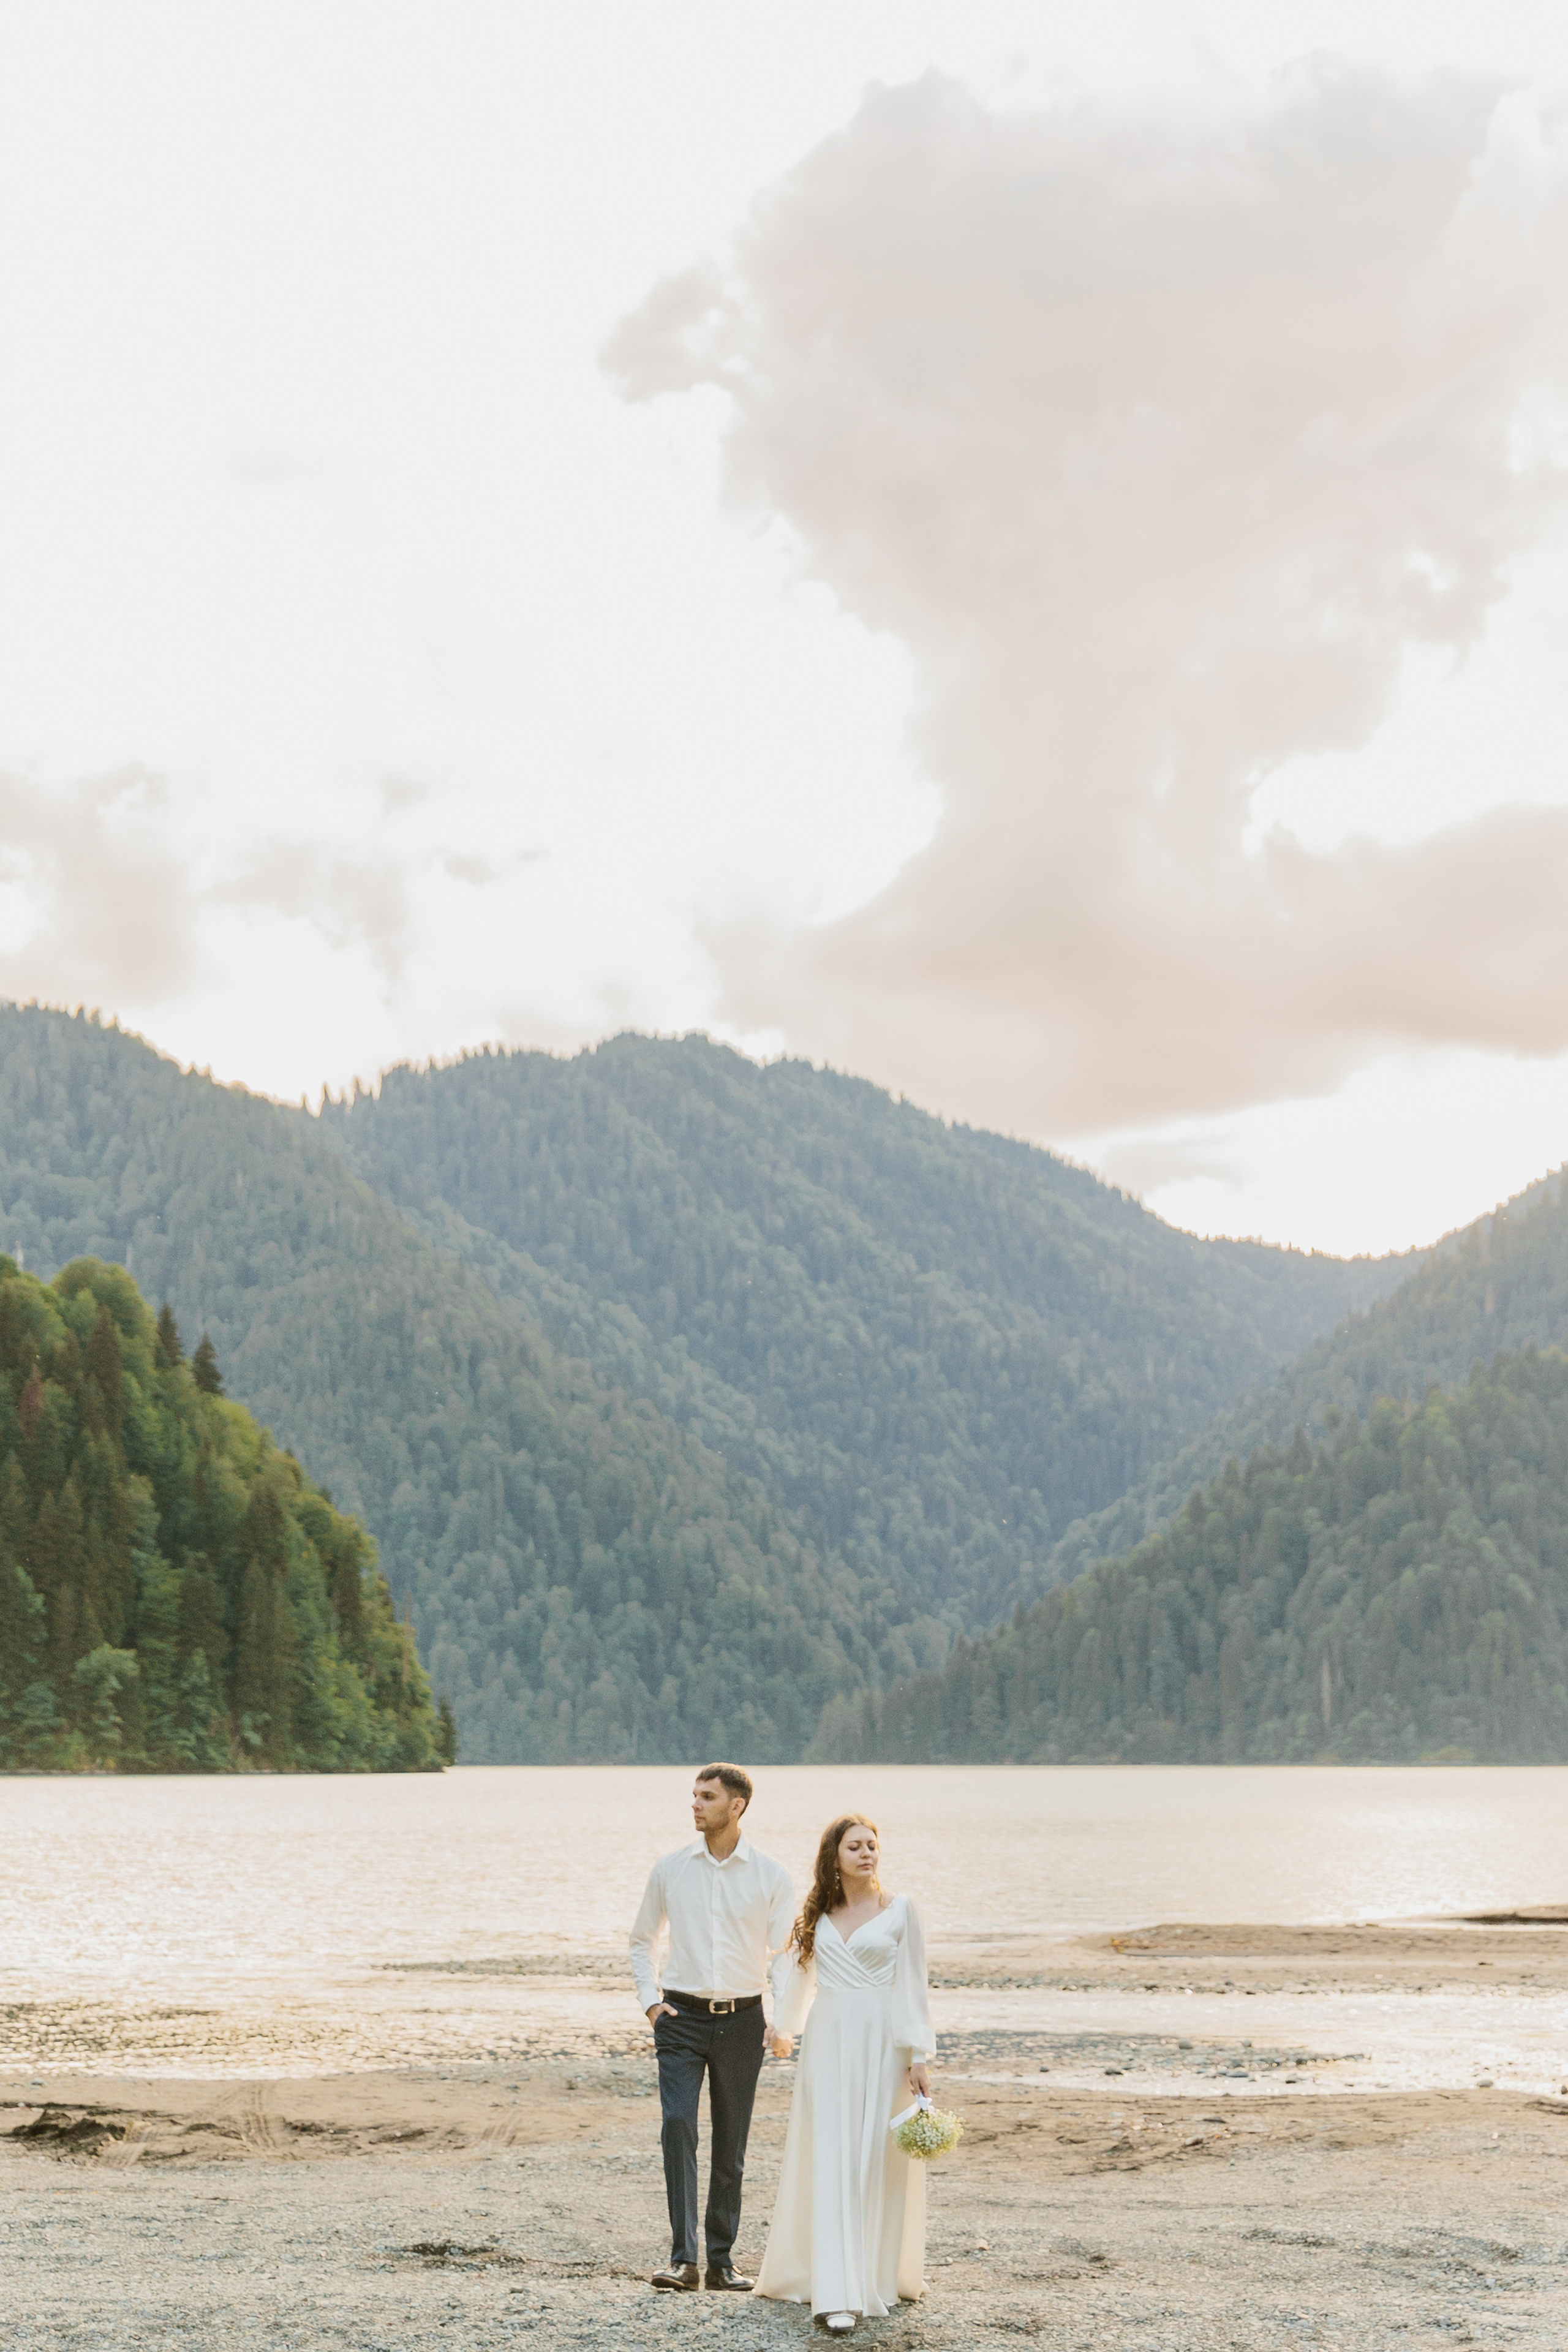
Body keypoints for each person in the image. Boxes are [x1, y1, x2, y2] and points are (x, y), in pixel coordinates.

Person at [753, 1812, 935, 2335]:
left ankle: (874, 2275)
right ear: (834, 1856)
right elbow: (798, 1979)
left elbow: (914, 1987)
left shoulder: (902, 1910)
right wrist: (783, 2029)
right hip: (829, 2042)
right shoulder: (818, 1914)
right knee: (831, 2157)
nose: (866, 1853)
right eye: (855, 1846)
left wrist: (918, 2056)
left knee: (874, 2160)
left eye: (873, 1845)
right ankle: (835, 2291)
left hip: (884, 2043)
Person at [630, 1762, 795, 2293]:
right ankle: (684, 2259)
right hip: (680, 2019)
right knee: (677, 2126)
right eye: (694, 1795)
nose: (695, 1804)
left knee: (732, 2144)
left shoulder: (771, 1875)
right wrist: (651, 2003)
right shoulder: (671, 1868)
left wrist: (785, 2021)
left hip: (744, 2021)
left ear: (737, 1806)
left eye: (707, 1796)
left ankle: (722, 2263)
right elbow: (641, 1940)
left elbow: (785, 1955)